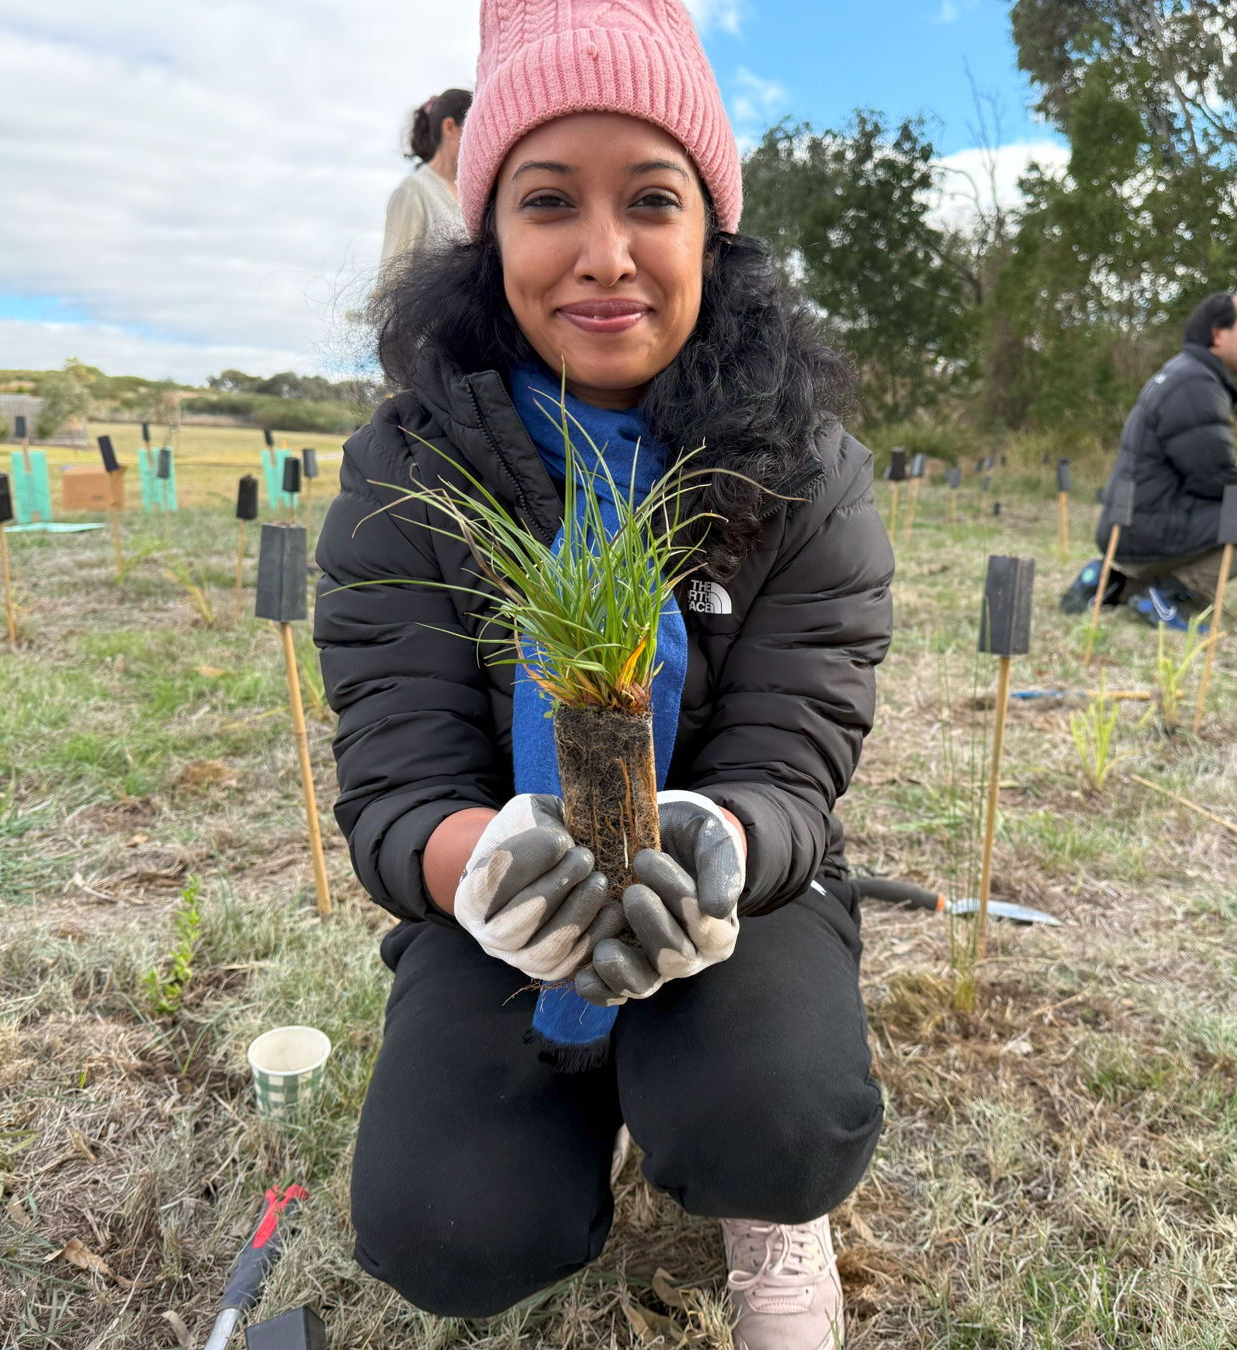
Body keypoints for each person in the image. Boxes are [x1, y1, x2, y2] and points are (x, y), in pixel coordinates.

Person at [314, 3, 893, 1347]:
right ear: (489, 232)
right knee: (446, 1227)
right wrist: (484, 867)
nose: (604, 254)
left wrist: (728, 845)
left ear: (712, 229)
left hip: (740, 885)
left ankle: (761, 1194)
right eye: (547, 201)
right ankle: (579, 1081)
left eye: (652, 198)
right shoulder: (412, 470)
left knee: (781, 1119)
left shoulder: (803, 470)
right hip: (506, 889)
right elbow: (394, 779)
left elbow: (798, 747)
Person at [1079, 291, 1237, 630]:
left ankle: (1113, 587)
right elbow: (1214, 477)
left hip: (1133, 527)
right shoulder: (1196, 384)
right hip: (1149, 529)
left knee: (1213, 583)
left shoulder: (1181, 373)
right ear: (1218, 333)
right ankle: (1169, 595)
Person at [379, 87, 472, 274]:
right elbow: (392, 280)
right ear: (450, 128)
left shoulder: (475, 194)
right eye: (475, 129)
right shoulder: (413, 191)